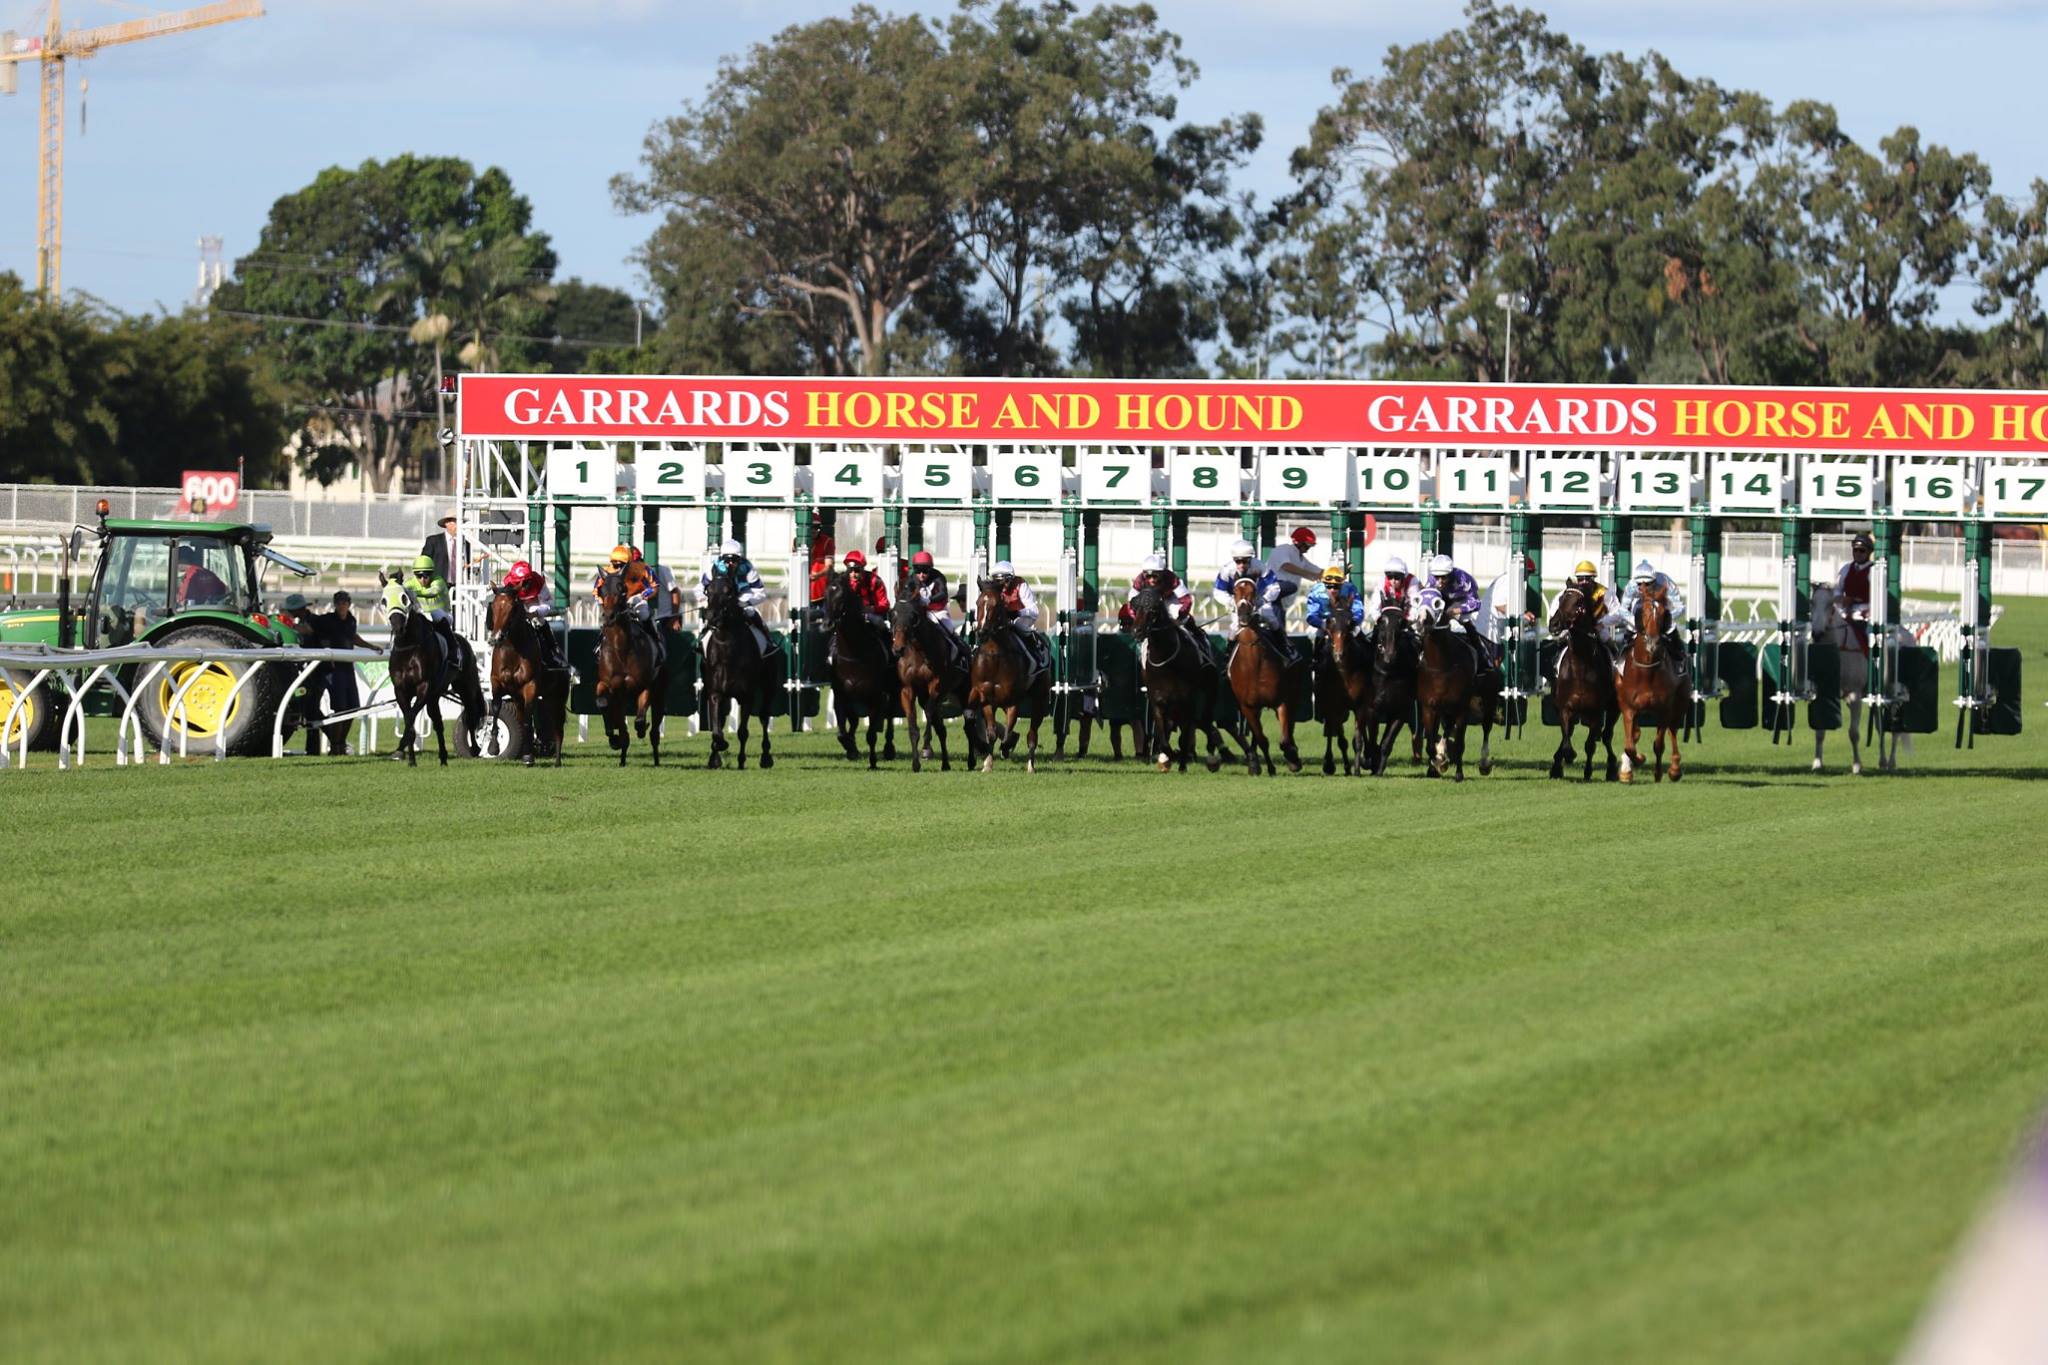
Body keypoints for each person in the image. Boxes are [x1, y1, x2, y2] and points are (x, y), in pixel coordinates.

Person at [1213, 538, 1293, 664]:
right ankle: (1227, 658)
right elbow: (1218, 592)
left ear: (1250, 559)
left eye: (1244, 561)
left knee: (1272, 620)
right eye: (1237, 561)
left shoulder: (1261, 566)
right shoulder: (1226, 570)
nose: (1241, 565)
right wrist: (1231, 603)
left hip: (1258, 600)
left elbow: (1274, 586)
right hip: (1238, 604)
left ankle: (1285, 649)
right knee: (1234, 628)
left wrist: (1264, 599)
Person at [1423, 552, 1497, 674]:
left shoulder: (1464, 579)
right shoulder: (1431, 580)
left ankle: (1482, 658)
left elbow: (1476, 603)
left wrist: (1456, 611)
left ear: (1450, 573)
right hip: (1442, 602)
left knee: (1467, 624)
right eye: (1437, 577)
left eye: (1444, 577)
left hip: (1460, 602)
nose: (1440, 582)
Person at [1119, 552, 1203, 659]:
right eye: (1148, 576)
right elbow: (1131, 602)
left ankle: (1198, 645)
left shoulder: (1172, 578)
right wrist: (1137, 619)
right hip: (1148, 603)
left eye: (1155, 576)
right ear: (1144, 575)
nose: (1152, 580)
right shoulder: (1139, 580)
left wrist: (1181, 616)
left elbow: (1186, 600)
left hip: (1169, 601)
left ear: (1162, 574)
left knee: (1183, 618)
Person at [701, 537, 770, 651]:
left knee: (751, 612)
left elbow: (761, 592)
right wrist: (706, 601)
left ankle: (767, 639)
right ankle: (701, 641)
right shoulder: (714, 568)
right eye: (727, 560)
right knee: (712, 616)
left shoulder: (747, 568)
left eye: (734, 560)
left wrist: (747, 602)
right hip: (721, 600)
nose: (730, 564)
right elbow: (700, 588)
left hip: (742, 597)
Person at [1617, 558, 1688, 668]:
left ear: (1655, 581)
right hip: (1640, 610)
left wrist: (1663, 618)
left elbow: (1680, 607)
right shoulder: (1631, 586)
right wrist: (1636, 621)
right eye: (1639, 584)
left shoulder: (1666, 582)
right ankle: (1619, 663)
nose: (1642, 587)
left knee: (1673, 635)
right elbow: (1622, 609)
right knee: (1627, 637)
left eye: (1648, 583)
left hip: (1661, 609)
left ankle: (1681, 663)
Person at [989, 559, 1052, 676]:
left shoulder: (1021, 585)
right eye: (998, 582)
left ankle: (1037, 659)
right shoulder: (993, 590)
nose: (1002, 586)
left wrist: (1017, 613)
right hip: (999, 623)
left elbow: (1033, 610)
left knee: (1019, 626)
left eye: (1004, 582)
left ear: (1010, 579)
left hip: (1020, 621)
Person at [503, 560, 562, 668]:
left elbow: (548, 604)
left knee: (539, 620)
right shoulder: (508, 583)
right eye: (516, 583)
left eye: (523, 583)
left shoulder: (538, 581)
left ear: (529, 580)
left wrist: (535, 613)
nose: (520, 586)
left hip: (533, 603)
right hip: (516, 604)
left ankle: (552, 651)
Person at [1305, 563, 1365, 669]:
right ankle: (1316, 663)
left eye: (1336, 587)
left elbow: (1358, 609)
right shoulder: (1316, 591)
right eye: (1329, 586)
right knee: (1315, 635)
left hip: (1345, 623)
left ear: (1342, 585)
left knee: (1361, 638)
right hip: (1325, 624)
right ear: (1324, 584)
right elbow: (1311, 615)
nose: (1332, 590)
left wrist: (1354, 623)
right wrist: (1323, 624)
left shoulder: (1350, 588)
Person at [1264, 527, 1323, 627]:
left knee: (1279, 627)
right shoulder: (1283, 549)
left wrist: (1338, 573)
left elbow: (1318, 571)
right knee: (1291, 587)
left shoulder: (1301, 559)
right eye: (1307, 545)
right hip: (1272, 587)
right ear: (1299, 542)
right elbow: (1286, 566)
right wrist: (1307, 574)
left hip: (1282, 600)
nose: (1308, 548)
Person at [1831, 532, 1875, 650]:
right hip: (1846, 613)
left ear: (1869, 552)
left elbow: (1878, 597)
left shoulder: (1874, 571)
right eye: (1855, 550)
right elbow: (1837, 590)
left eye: (1862, 551)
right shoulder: (1846, 569)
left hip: (1866, 615)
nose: (1858, 554)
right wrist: (1842, 599)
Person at [174, 543, 230, 608]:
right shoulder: (205, 573)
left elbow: (188, 601)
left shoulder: (193, 577)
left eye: (175, 561)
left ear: (180, 560)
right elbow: (225, 590)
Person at [420, 513, 465, 586]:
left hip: (458, 586)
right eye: (456, 522)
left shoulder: (465, 544)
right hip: (437, 585)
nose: (459, 526)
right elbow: (424, 562)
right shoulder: (433, 541)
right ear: (447, 523)